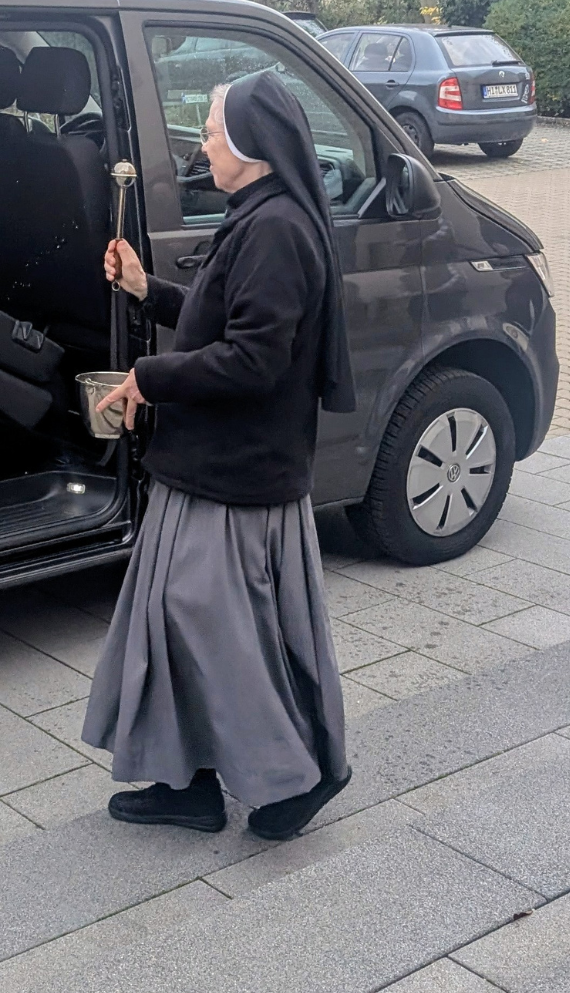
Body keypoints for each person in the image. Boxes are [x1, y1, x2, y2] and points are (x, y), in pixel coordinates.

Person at [81, 69, 356, 840]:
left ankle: (297, 777)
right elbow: (217, 317)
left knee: (206, 630)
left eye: (210, 129)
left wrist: (148, 376)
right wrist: (148, 291)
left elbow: (254, 361)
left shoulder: (274, 229)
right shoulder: (259, 214)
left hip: (234, 478)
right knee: (182, 625)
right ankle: (191, 783)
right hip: (214, 467)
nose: (202, 140)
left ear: (252, 145)